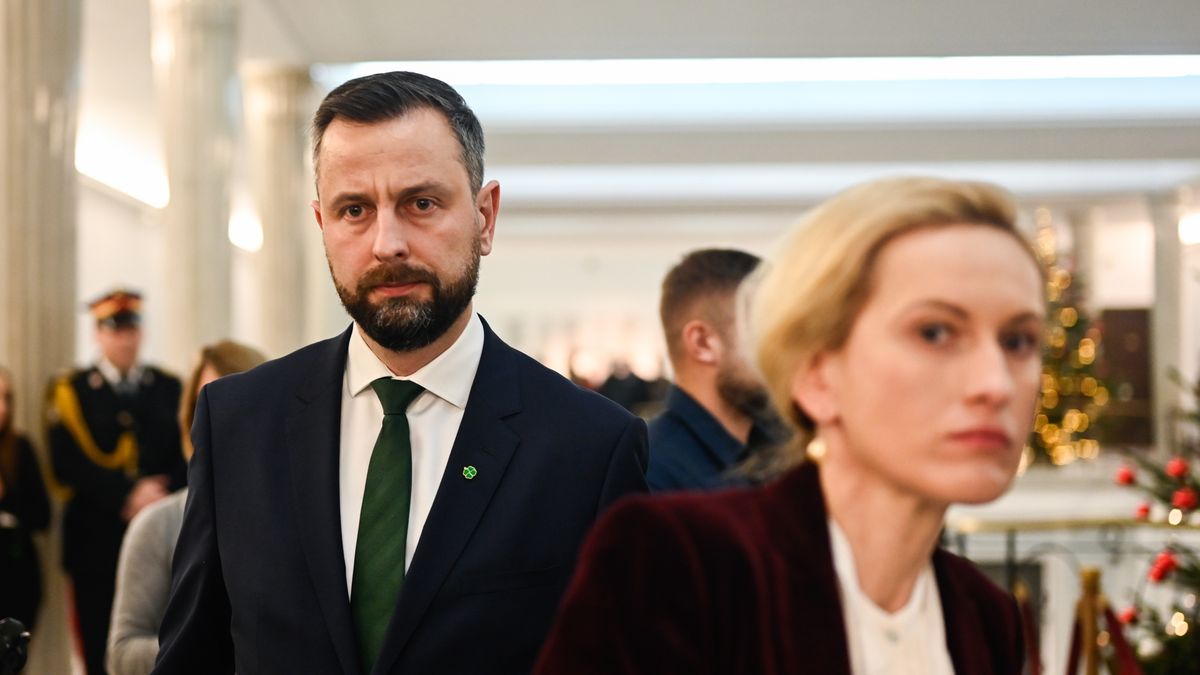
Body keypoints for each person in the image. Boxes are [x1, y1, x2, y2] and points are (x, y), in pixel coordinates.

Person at [153, 71, 648, 675]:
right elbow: (193, 656)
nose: (386, 243)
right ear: (322, 226)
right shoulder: (238, 421)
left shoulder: (589, 445)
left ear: (485, 217)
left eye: (421, 203)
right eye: (354, 209)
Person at [534, 176, 1043, 675]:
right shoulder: (678, 561)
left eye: (1018, 340)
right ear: (816, 374)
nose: (995, 384)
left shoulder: (986, 614)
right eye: (934, 332)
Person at [46, 289, 184, 675]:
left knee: (158, 638)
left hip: (158, 536)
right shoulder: (71, 391)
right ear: (98, 335)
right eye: (114, 329)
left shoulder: (168, 387)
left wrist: (157, 493)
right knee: (97, 644)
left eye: (131, 329)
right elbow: (66, 464)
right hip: (96, 540)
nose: (124, 338)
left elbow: (185, 450)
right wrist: (128, 494)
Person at [107, 340, 266, 675]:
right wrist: (217, 645)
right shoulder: (160, 524)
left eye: (236, 401)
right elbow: (123, 654)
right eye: (204, 404)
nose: (219, 416)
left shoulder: (299, 515)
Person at [646, 248, 785, 491]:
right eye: (764, 328)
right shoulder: (651, 472)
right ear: (703, 343)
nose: (782, 350)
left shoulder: (775, 452)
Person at [0, 367, 51, 631]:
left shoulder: (20, 448)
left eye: (7, 398)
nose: (3, 408)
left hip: (17, 576)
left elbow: (43, 517)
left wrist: (7, 499)